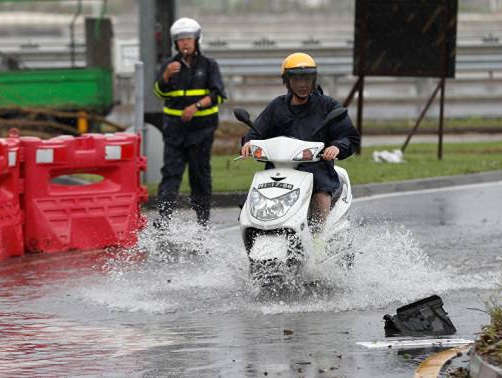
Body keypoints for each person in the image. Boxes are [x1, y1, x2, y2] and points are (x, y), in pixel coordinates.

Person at [240, 52, 360, 234]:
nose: (303, 84)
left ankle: (319, 240)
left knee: (321, 193)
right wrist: (248, 142)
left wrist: (336, 147)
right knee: (252, 199)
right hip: (279, 170)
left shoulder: (328, 106)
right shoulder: (277, 106)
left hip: (316, 169)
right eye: (296, 79)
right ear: (287, 81)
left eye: (307, 79)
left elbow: (349, 137)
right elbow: (257, 130)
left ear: (314, 80)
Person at [152, 17, 227, 230]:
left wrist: (196, 107)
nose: (185, 43)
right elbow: (158, 92)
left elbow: (219, 95)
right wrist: (164, 77)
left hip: (202, 130)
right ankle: (163, 218)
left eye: (188, 38)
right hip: (174, 131)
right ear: (175, 43)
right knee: (171, 173)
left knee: (199, 174)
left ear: (196, 40)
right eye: (180, 39)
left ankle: (202, 220)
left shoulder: (209, 66)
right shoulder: (168, 65)